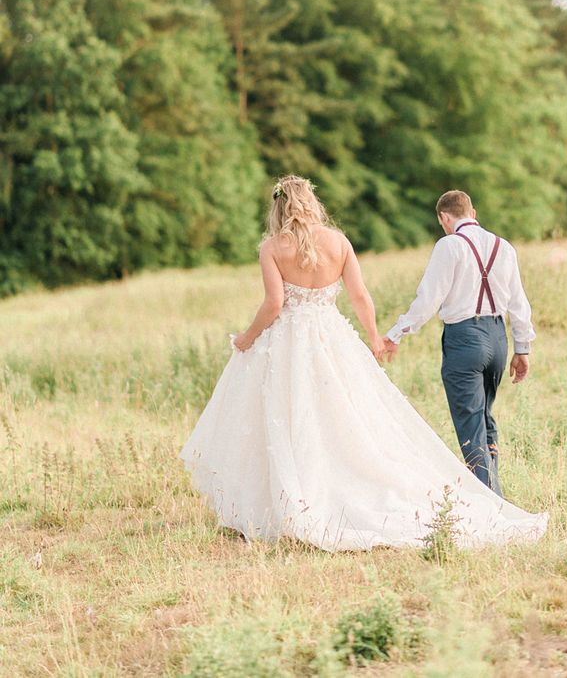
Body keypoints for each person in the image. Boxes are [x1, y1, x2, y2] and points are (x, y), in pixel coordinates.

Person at [178, 176, 547, 551]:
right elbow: (358, 294)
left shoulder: (272, 248)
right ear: (312, 202)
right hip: (339, 338)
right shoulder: (339, 243)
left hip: (289, 343)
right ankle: (485, 492)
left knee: (285, 417)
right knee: (353, 418)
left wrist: (246, 338)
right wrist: (374, 338)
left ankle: (288, 501)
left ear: (276, 207)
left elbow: (274, 304)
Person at [384, 190, 535, 497]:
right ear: (473, 213)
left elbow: (429, 299)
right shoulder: (503, 247)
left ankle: (490, 505)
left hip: (465, 339)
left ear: (444, 217)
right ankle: (495, 493)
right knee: (485, 418)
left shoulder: (449, 245)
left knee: (470, 424)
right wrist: (522, 349)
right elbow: (519, 302)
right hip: (498, 338)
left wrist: (397, 333)